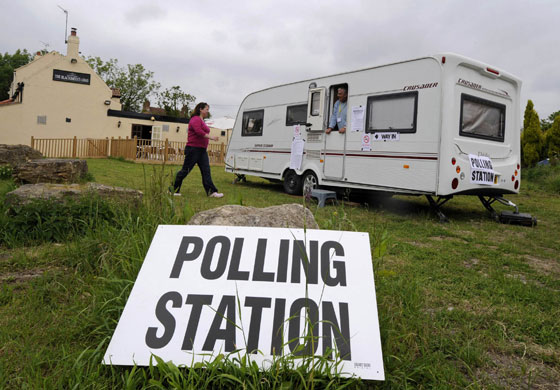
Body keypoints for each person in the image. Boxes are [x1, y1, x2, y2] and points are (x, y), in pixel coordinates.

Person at [171, 102, 224, 198]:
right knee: (185, 170)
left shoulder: (202, 120)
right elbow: (198, 132)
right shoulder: (195, 119)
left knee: (206, 170)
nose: (208, 111)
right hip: (193, 149)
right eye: (207, 109)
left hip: (202, 150)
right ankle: (173, 190)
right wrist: (211, 137)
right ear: (201, 109)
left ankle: (211, 192)